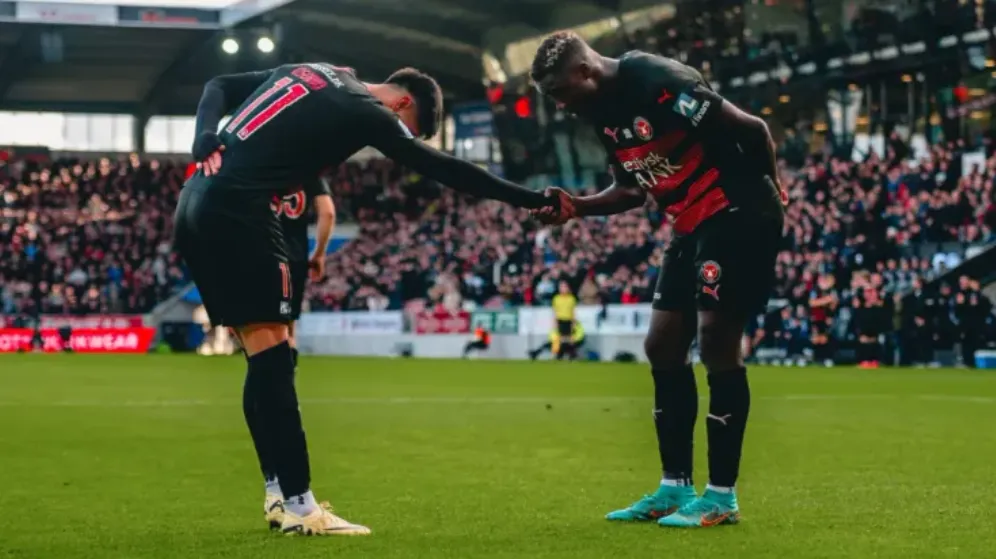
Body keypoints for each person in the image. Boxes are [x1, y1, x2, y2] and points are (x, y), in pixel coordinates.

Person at [173, 62, 563, 536]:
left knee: (264, 351)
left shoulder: (315, 69)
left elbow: (216, 83)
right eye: (408, 129)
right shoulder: (366, 108)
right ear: (402, 103)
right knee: (275, 357)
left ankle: (279, 493)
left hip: (196, 200)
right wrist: (531, 199)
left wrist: (203, 135)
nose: (400, 137)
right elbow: (444, 168)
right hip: (241, 211)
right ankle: (300, 505)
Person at [529, 31, 785, 528]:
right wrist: (577, 206)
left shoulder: (657, 80)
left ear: (585, 72)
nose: (561, 106)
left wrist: (773, 192)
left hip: (737, 209)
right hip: (689, 221)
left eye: (561, 93)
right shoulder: (599, 112)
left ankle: (721, 497)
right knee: (663, 346)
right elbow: (629, 191)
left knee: (716, 342)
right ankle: (673, 487)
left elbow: (753, 130)